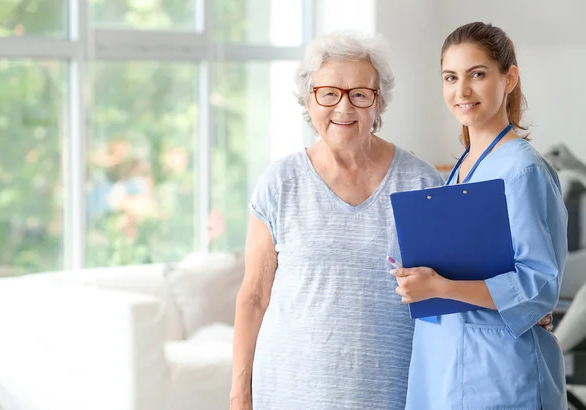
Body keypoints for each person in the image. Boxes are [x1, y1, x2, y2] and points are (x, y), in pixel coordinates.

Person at [229, 33, 444, 410]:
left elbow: (447, 288)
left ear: (379, 104)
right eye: (329, 93)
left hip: (392, 394)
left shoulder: (421, 182)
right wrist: (239, 395)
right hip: (288, 392)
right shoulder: (280, 182)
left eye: (360, 94)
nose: (344, 108)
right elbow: (254, 297)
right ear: (309, 100)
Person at [390, 22, 568, 409]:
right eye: (450, 77)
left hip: (500, 373)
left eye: (478, 74)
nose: (461, 90)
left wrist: (439, 287)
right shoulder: (462, 169)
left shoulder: (523, 170)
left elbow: (537, 287)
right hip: (445, 364)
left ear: (510, 78)